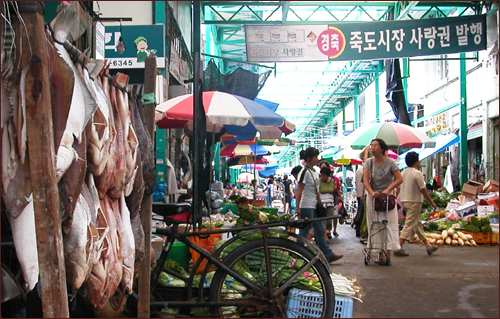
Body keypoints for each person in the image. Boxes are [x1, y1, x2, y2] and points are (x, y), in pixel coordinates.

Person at [295, 147, 343, 263]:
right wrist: (297, 208)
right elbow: (299, 191)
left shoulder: (315, 172)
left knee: (320, 229)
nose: (317, 159)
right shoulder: (304, 172)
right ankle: (296, 254)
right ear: (308, 158)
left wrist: (319, 203)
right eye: (315, 156)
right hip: (306, 205)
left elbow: (317, 190)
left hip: (315, 205)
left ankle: (328, 254)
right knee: (304, 231)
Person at [362, 139, 403, 261]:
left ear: (382, 149)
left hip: (387, 197)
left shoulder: (390, 162)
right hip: (374, 197)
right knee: (374, 224)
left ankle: (387, 251)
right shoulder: (369, 162)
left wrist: (388, 189)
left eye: (375, 146)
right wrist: (371, 192)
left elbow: (399, 179)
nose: (373, 148)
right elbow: (365, 180)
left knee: (389, 224)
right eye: (371, 146)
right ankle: (377, 250)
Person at [394, 152, 438, 257]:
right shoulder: (417, 173)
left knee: (417, 224)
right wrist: (431, 202)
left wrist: (395, 199)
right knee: (409, 224)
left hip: (405, 201)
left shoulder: (403, 173)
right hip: (414, 201)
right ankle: (398, 247)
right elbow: (423, 189)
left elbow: (398, 188)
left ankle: (428, 246)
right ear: (417, 162)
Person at [319, 167, 342, 239]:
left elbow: (333, 189)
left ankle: (328, 231)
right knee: (323, 219)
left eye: (324, 175)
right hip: (322, 202)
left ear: (327, 175)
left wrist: (340, 198)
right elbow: (321, 190)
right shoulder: (319, 181)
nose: (322, 177)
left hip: (330, 202)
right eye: (321, 175)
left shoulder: (332, 181)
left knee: (330, 218)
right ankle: (324, 233)